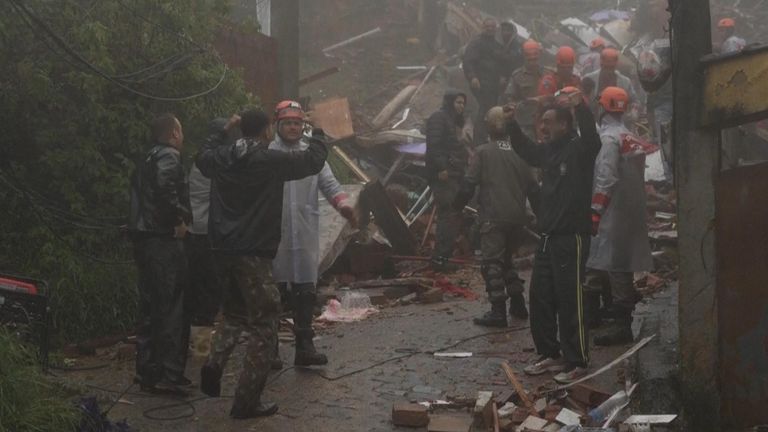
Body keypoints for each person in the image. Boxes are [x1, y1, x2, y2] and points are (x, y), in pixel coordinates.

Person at [196, 109, 328, 418]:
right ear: (268, 129)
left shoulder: (222, 156)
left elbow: (201, 157)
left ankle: (213, 364)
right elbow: (312, 161)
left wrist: (222, 131)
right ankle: (246, 401)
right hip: (253, 250)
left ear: (239, 128)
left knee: (234, 313)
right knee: (266, 323)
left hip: (222, 248)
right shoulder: (271, 160)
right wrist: (319, 132)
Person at [507, 88, 601, 384]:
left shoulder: (578, 149)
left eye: (549, 122)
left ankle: (577, 360)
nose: (543, 127)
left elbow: (594, 140)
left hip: (570, 238)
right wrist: (511, 124)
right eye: (542, 122)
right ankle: (550, 353)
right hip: (547, 237)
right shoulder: (548, 151)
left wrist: (582, 108)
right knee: (541, 298)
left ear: (564, 124)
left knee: (570, 299)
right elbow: (526, 150)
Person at [269, 100, 356, 367]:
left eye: (297, 123)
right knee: (273, 292)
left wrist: (343, 206)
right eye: (288, 123)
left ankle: (304, 347)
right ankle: (269, 350)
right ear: (278, 126)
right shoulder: (268, 152)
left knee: (306, 291)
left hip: (305, 230)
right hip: (274, 233)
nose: (293, 128)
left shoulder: (311, 153)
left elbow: (329, 183)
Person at [454, 106, 539, 327]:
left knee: (491, 263)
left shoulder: (483, 152)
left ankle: (498, 311)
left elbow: (468, 185)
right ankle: (518, 304)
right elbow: (533, 188)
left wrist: (456, 206)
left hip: (493, 216)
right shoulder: (520, 153)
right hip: (518, 217)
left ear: (488, 126)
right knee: (507, 261)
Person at [128, 113, 192, 392]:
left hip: (144, 239)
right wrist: (178, 220)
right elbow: (167, 189)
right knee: (171, 307)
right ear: (174, 133)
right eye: (181, 131)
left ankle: (147, 371)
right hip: (163, 240)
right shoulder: (169, 156)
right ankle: (170, 374)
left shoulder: (145, 157)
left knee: (151, 306)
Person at [587, 87, 653, 346]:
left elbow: (606, 176)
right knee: (618, 263)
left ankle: (621, 325)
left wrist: (596, 210)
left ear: (602, 107)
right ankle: (608, 314)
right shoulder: (630, 135)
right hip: (631, 210)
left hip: (614, 211)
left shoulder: (608, 140)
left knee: (615, 265)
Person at [185, 118, 227, 327]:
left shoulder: (200, 161)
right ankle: (203, 342)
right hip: (206, 232)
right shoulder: (212, 164)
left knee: (202, 285)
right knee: (210, 287)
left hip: (197, 229)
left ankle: (200, 334)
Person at [425, 90, 469, 271]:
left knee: (452, 215)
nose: (461, 106)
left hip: (454, 172)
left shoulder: (453, 121)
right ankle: (440, 260)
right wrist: (441, 167)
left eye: (463, 103)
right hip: (444, 174)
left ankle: (443, 257)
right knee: (447, 215)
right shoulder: (439, 117)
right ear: (450, 102)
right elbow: (433, 145)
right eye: (458, 102)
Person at [463, 18, 508, 145]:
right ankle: (479, 140)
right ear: (483, 27)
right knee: (484, 110)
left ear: (495, 29)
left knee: (492, 110)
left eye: (492, 27)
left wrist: (503, 76)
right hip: (481, 84)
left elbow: (503, 63)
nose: (490, 29)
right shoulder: (476, 44)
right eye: (487, 26)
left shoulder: (497, 46)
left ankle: (489, 137)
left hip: (494, 86)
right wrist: (472, 77)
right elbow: (468, 61)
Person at [505, 39, 546, 141]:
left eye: (535, 57)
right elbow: (510, 98)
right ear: (524, 56)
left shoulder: (548, 74)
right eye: (529, 57)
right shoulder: (517, 76)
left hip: (545, 121)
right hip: (526, 123)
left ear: (539, 55)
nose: (532, 60)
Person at [583, 48, 637, 115]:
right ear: (601, 64)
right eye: (606, 67)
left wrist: (633, 112)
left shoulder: (625, 82)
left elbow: (634, 101)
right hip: (594, 120)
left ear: (616, 65)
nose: (608, 71)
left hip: (618, 121)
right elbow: (582, 101)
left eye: (611, 67)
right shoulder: (589, 78)